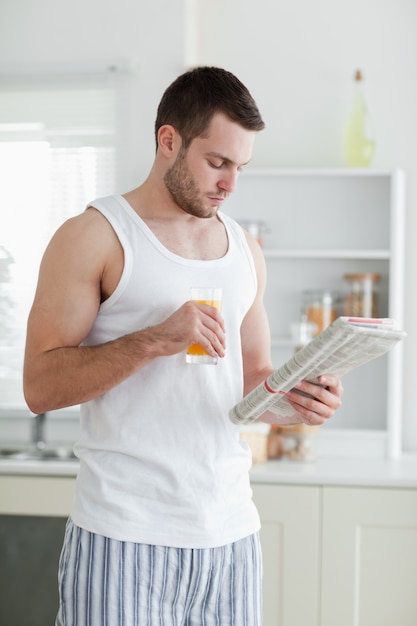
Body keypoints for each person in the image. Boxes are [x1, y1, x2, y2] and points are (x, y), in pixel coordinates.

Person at [23, 66, 343, 626]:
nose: (230, 184)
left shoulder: (245, 250)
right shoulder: (95, 236)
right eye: (217, 163)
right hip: (123, 536)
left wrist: (299, 402)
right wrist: (154, 340)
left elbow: (252, 378)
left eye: (240, 168)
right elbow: (40, 386)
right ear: (167, 140)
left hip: (231, 539)